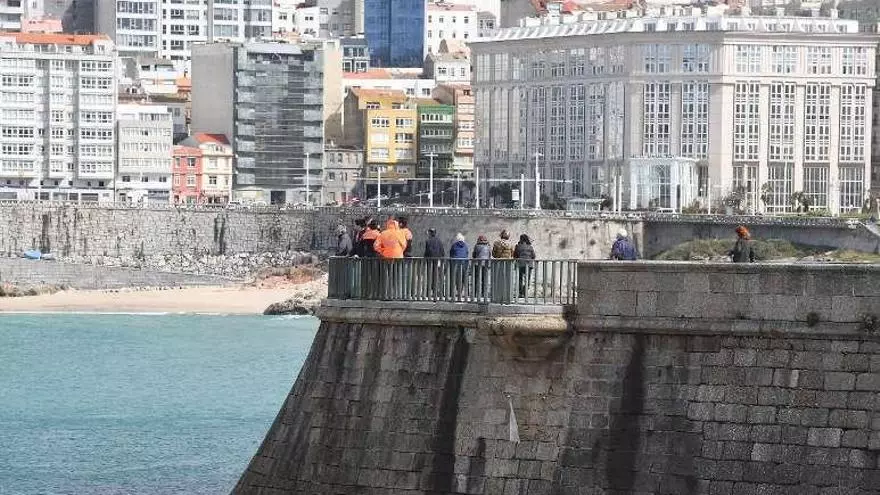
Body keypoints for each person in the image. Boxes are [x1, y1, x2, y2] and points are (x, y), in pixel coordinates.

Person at [424, 229, 444, 298]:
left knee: (429, 276)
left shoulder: (428, 241)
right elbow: (442, 252)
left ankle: (428, 292)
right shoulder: (439, 241)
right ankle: (436, 292)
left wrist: (425, 259)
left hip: (430, 261)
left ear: (430, 233)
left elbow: (426, 252)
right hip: (437, 261)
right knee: (436, 276)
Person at [449, 233, 469, 299]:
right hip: (463, 264)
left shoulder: (454, 245)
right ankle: (461, 292)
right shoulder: (465, 246)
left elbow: (451, 254)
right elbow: (467, 253)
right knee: (463, 278)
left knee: (454, 278)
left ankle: (452, 293)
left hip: (455, 264)